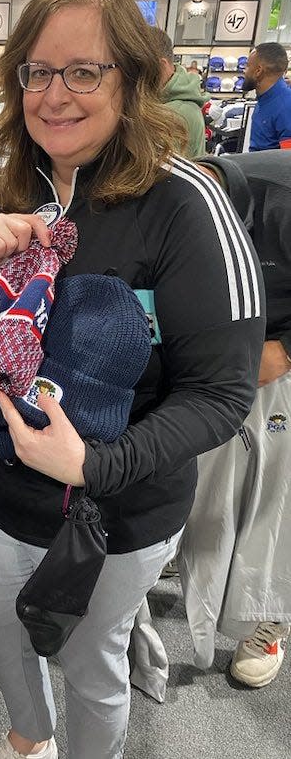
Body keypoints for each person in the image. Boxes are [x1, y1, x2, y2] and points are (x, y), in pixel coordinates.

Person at [0, 0, 264, 759]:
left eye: (84, 70)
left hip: (117, 513)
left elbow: (222, 392)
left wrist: (96, 463)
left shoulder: (184, 206)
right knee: (3, 638)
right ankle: (26, 745)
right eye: (37, 71)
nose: (55, 94)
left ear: (133, 79)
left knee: (87, 663)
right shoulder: (5, 192)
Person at [176, 151, 291, 688]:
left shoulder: (281, 204)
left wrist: (286, 350)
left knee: (274, 495)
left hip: (275, 358)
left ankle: (267, 617)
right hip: (209, 354)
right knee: (189, 477)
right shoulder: (168, 208)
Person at [152, 27, 206, 158]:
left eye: (138, 68)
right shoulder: (176, 101)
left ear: (160, 67)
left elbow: (157, 173)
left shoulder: (175, 114)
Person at [242, 42, 291, 151]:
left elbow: (288, 162)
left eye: (248, 66)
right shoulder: (264, 100)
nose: (244, 71)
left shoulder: (286, 106)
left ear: (258, 71)